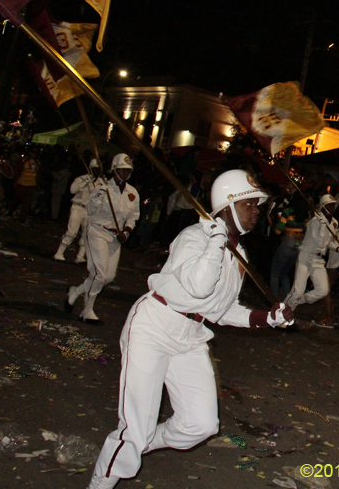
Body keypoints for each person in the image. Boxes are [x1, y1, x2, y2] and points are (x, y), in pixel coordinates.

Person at [85, 169, 294, 489]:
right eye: (250, 204)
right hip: (154, 327)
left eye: (258, 205)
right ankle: (103, 480)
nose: (257, 211)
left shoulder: (239, 254)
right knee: (134, 427)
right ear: (227, 207)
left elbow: (222, 310)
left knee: (201, 424)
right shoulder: (196, 237)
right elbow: (197, 287)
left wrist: (268, 318)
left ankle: (142, 443)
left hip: (191, 338)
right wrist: (216, 240)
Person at [65, 154, 141, 325]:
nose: (125, 173)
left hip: (115, 237)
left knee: (108, 277)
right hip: (97, 231)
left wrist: (127, 232)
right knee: (99, 273)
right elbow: (90, 211)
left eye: (128, 170)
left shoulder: (132, 193)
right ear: (114, 169)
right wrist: (99, 194)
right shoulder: (102, 186)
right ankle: (87, 311)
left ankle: (76, 291)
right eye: (122, 169)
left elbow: (133, 217)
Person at [285, 195, 339, 311]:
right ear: (323, 207)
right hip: (306, 257)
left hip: (318, 260)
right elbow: (319, 243)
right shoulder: (315, 222)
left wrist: (338, 248)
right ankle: (284, 310)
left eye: (333, 205)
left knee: (323, 290)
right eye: (329, 206)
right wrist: (323, 225)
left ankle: (296, 302)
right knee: (297, 291)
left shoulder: (334, 223)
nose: (332, 208)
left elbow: (327, 243)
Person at [54, 159, 104, 263]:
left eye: (99, 169)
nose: (97, 171)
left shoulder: (101, 182)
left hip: (90, 211)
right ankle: (59, 253)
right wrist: (86, 182)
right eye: (95, 169)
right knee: (71, 232)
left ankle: (80, 256)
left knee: (87, 234)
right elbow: (72, 190)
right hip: (78, 208)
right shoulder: (81, 179)